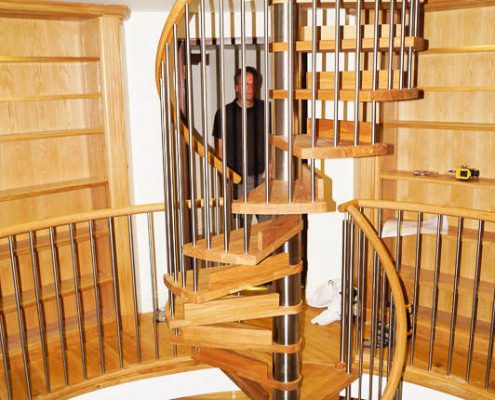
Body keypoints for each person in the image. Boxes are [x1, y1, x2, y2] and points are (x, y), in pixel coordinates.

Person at [212, 66, 266, 201]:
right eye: (245, 84)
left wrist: (270, 169)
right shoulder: (224, 114)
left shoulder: (266, 110)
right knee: (239, 222)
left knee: (268, 221)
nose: (250, 88)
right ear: (236, 87)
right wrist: (222, 180)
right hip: (236, 180)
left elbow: (274, 142)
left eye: (253, 84)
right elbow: (219, 151)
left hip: (264, 178)